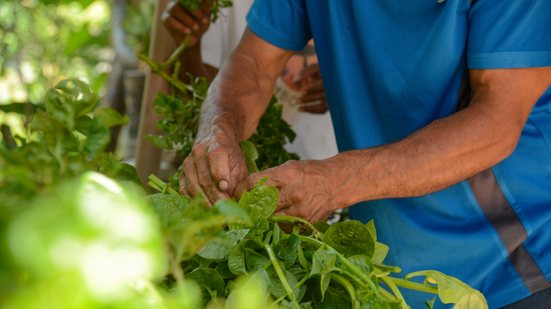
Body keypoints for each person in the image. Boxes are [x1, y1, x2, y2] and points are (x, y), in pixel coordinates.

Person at [177, 0, 551, 308]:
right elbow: (255, 62)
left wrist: (335, 180)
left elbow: (498, 120)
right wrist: (218, 129)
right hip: (388, 269)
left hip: (514, 265)